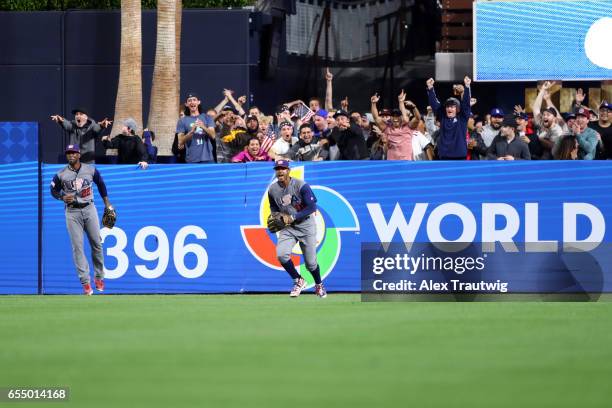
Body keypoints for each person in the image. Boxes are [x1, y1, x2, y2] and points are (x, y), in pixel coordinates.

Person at [49, 144, 113, 295]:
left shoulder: (90, 169)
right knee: (77, 247)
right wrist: (62, 197)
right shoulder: (61, 174)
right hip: (72, 213)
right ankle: (85, 283)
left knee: (97, 243)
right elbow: (52, 189)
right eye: (68, 153)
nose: (71, 155)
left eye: (73, 152)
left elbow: (101, 184)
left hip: (89, 209)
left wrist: (107, 204)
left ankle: (99, 277)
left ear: (79, 154)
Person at [268, 159, 326, 298]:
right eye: (277, 169)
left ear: (289, 170)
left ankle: (318, 285)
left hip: (306, 226)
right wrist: (278, 217)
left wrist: (293, 217)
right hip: (289, 227)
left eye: (283, 168)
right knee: (281, 255)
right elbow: (274, 208)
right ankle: (298, 280)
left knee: (311, 264)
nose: (280, 171)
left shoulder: (301, 185)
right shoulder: (273, 189)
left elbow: (312, 207)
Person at [426, 76, 472, 159]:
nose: (449, 108)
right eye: (447, 106)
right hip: (444, 157)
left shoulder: (462, 118)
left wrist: (467, 86)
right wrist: (430, 87)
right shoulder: (443, 117)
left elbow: (466, 104)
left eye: (452, 106)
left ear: (457, 109)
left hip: (460, 157)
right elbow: (434, 105)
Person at [176, 92, 216, 163]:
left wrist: (203, 126)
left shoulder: (207, 117)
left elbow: (213, 135)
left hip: (208, 158)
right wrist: (191, 131)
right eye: (189, 100)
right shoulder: (182, 121)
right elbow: (180, 141)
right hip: (191, 159)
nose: (192, 102)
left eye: (194, 100)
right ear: (186, 104)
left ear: (198, 102)